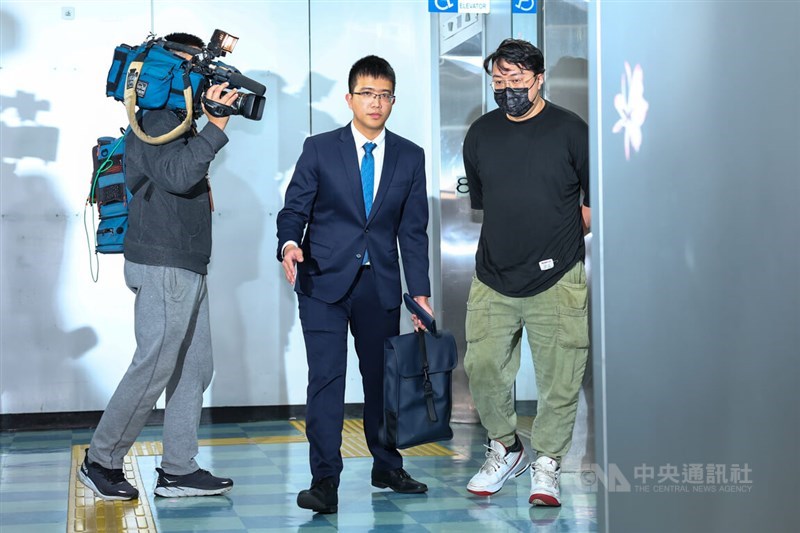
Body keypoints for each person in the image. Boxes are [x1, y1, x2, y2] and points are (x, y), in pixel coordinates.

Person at [78, 32, 241, 501]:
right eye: (197, 67)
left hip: (185, 260)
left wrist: (205, 125)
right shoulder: (154, 118)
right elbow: (176, 175)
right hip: (164, 261)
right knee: (153, 366)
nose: (204, 78)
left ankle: (177, 469)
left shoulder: (178, 120)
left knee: (194, 368)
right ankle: (101, 460)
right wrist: (215, 128)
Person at [277, 55, 433, 515]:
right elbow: (294, 209)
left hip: (380, 284)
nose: (376, 102)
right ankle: (324, 480)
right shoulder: (320, 148)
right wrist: (289, 245)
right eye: (367, 93)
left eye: (384, 94)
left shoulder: (410, 155)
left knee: (382, 382)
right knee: (326, 380)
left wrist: (419, 293)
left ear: (393, 100)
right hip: (322, 280)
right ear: (350, 98)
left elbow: (413, 231)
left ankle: (386, 465)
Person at [462, 38, 590, 507]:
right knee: (482, 366)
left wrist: (555, 239)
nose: (507, 89)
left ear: (538, 79)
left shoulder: (572, 131)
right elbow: (486, 201)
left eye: (516, 81)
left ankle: (548, 464)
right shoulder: (480, 134)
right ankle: (507, 447)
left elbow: (591, 208)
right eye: (498, 81)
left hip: (557, 279)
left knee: (560, 377)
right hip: (493, 274)